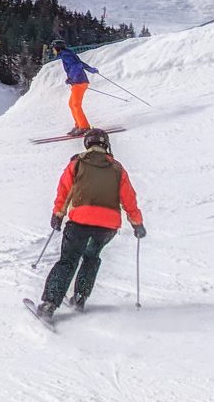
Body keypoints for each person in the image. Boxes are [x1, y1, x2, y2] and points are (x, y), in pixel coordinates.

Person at [35, 128, 145, 320]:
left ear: (87, 144)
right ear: (106, 145)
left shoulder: (77, 163)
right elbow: (129, 199)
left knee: (68, 261)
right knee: (91, 257)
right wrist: (137, 223)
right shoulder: (118, 168)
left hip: (80, 221)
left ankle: (49, 304)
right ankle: (79, 297)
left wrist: (58, 214)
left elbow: (64, 190)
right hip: (108, 226)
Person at [53, 39, 100, 135]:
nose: (53, 51)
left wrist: (72, 78)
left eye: (53, 49)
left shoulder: (66, 55)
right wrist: (90, 69)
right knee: (72, 104)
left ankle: (84, 127)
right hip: (79, 81)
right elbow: (80, 63)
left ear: (57, 48)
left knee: (75, 105)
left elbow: (76, 66)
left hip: (79, 82)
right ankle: (79, 125)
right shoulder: (67, 54)